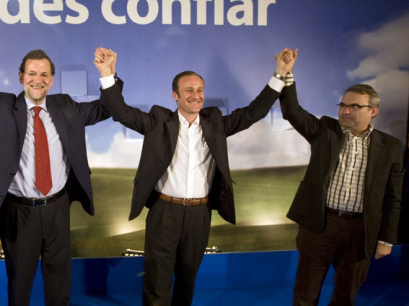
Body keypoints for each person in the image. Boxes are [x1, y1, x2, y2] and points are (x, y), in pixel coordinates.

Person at [95, 47, 296, 305]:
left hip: (199, 215)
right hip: (164, 213)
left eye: (200, 90)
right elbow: (121, 112)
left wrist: (280, 74)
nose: (196, 95)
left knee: (188, 280)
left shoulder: (215, 123)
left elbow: (252, 113)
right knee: (157, 282)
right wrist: (106, 74)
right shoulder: (158, 120)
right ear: (175, 96)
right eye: (188, 90)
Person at [0, 46, 115, 305]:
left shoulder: (65, 106)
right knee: (20, 287)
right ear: (21, 76)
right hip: (18, 212)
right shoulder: (0, 107)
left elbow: (105, 109)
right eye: (32, 74)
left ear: (52, 80)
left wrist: (107, 73)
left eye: (44, 75)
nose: (38, 80)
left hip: (57, 208)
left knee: (59, 286)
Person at [279, 50, 404, 305]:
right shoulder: (325, 130)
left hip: (361, 230)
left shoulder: (390, 147)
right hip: (320, 226)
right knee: (305, 294)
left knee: (347, 294)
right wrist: (286, 73)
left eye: (354, 106)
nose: (346, 111)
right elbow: (292, 110)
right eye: (343, 105)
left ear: (374, 111)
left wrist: (386, 239)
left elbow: (394, 197)